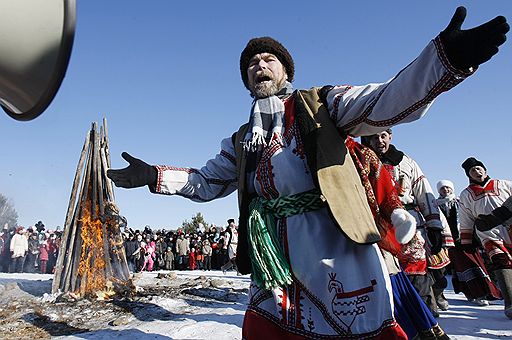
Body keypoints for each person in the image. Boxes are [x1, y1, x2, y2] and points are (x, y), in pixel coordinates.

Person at [108, 7, 508, 338]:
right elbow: (206, 182)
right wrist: (153, 176)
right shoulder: (241, 140)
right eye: (250, 64)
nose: (258, 65)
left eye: (268, 59)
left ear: (286, 72)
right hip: (275, 263)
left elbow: (384, 99)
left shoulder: (321, 106)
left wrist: (443, 61)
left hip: (336, 248)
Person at [363, 129, 453, 317]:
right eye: (374, 136)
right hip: (375, 227)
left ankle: (426, 317)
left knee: (417, 271)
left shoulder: (407, 163)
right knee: (384, 274)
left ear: (390, 136)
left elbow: (424, 193)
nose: (379, 140)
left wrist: (435, 226)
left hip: (410, 223)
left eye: (383, 136)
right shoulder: (360, 161)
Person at [458, 157, 512, 319]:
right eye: (472, 170)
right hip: (488, 232)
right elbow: (466, 217)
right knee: (501, 261)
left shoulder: (504, 184)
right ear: (469, 175)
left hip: (509, 226)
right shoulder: (466, 194)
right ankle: (510, 302)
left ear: (485, 170)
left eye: (479, 168)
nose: (477, 171)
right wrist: (466, 241)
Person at [436, 180, 501, 307]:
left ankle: (488, 292)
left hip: (467, 239)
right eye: (443, 189)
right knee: (461, 269)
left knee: (476, 265)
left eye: (448, 188)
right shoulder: (436, 206)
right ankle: (473, 294)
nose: (446, 191)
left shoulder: (461, 201)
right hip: (451, 242)